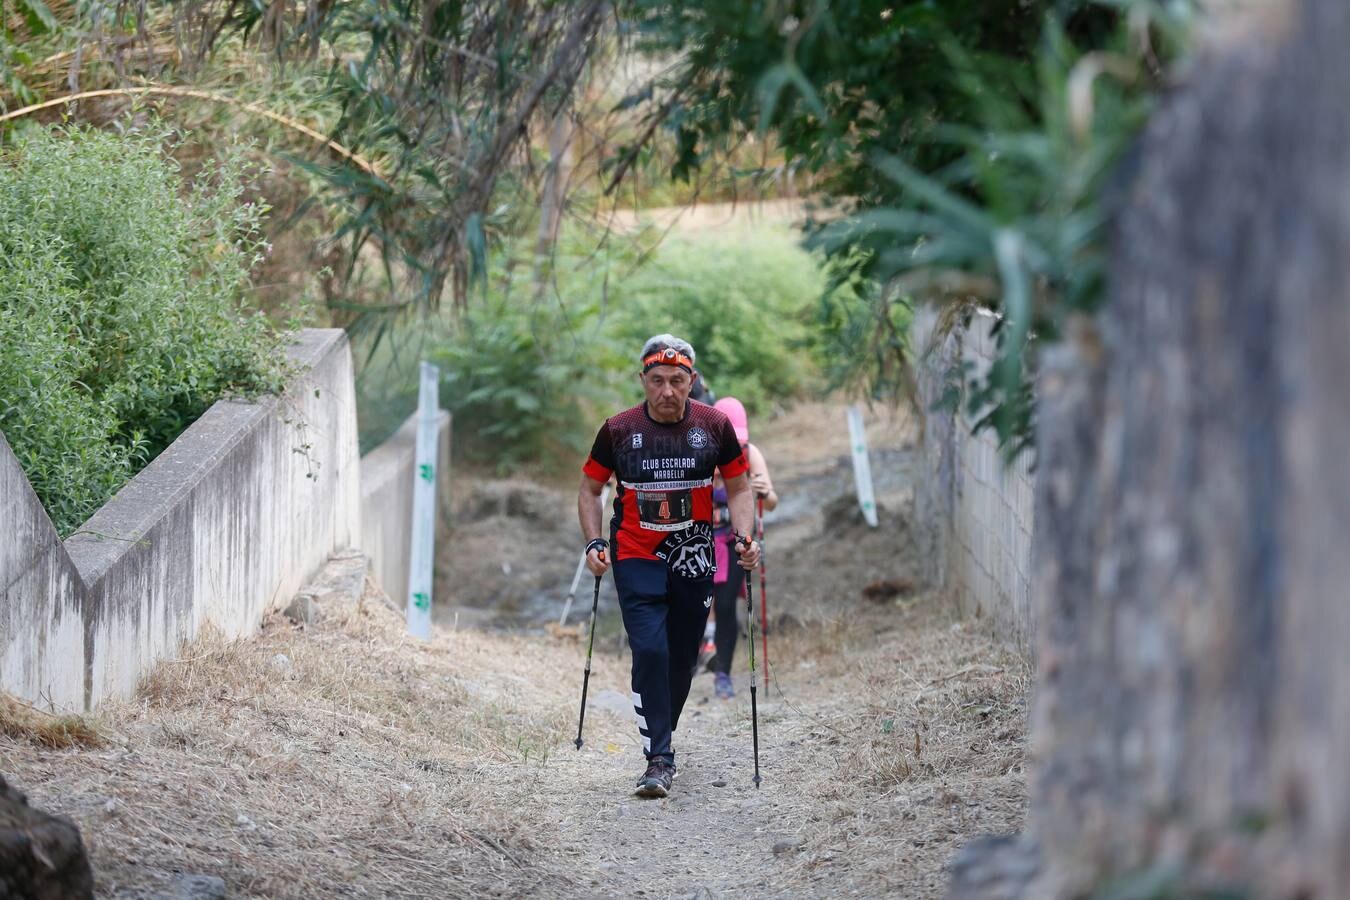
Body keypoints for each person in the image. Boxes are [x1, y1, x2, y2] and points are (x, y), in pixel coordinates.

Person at [578, 333, 761, 798]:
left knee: (682, 658)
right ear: (643, 380)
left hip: (694, 556)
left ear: (691, 381)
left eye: (677, 381)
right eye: (657, 380)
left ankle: (661, 728)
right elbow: (589, 489)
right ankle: (659, 757)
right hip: (636, 554)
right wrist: (594, 541)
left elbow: (740, 488)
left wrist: (744, 537)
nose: (666, 391)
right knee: (651, 651)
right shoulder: (618, 430)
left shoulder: (714, 426)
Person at [709, 397, 778, 699]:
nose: (734, 445)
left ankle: (722, 672)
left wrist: (763, 491)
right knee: (695, 605)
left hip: (734, 542)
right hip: (698, 542)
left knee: (725, 607)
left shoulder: (750, 454)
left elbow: (772, 502)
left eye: (738, 439)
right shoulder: (701, 453)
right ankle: (693, 660)